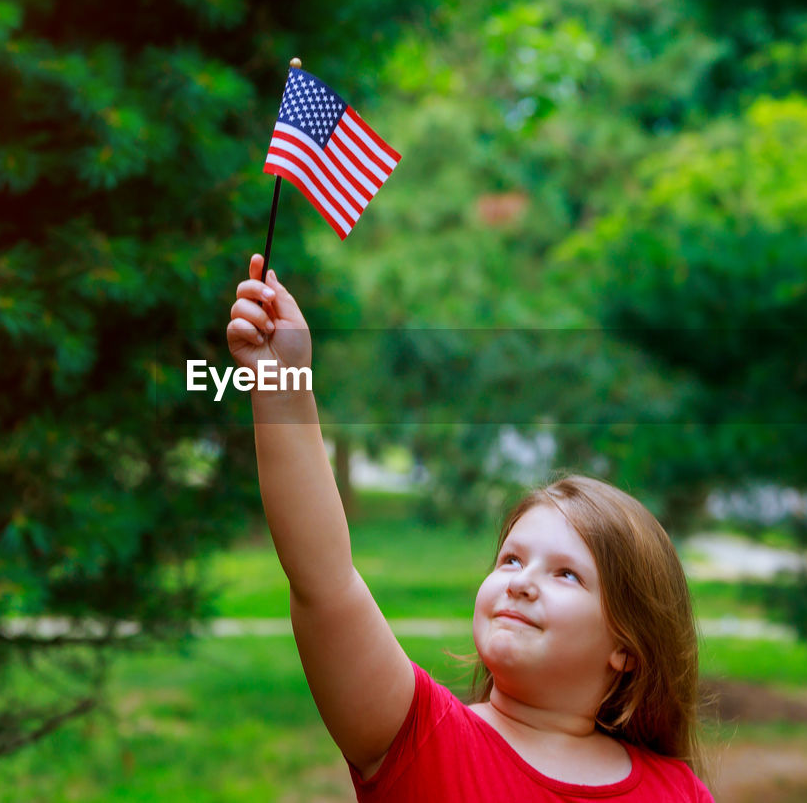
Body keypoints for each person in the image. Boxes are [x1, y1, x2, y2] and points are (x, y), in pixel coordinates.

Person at [226, 254, 714, 801]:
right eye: (511, 559)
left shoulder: (679, 791)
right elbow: (325, 582)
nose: (521, 582)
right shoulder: (422, 739)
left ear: (626, 647)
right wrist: (282, 382)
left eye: (567, 575)